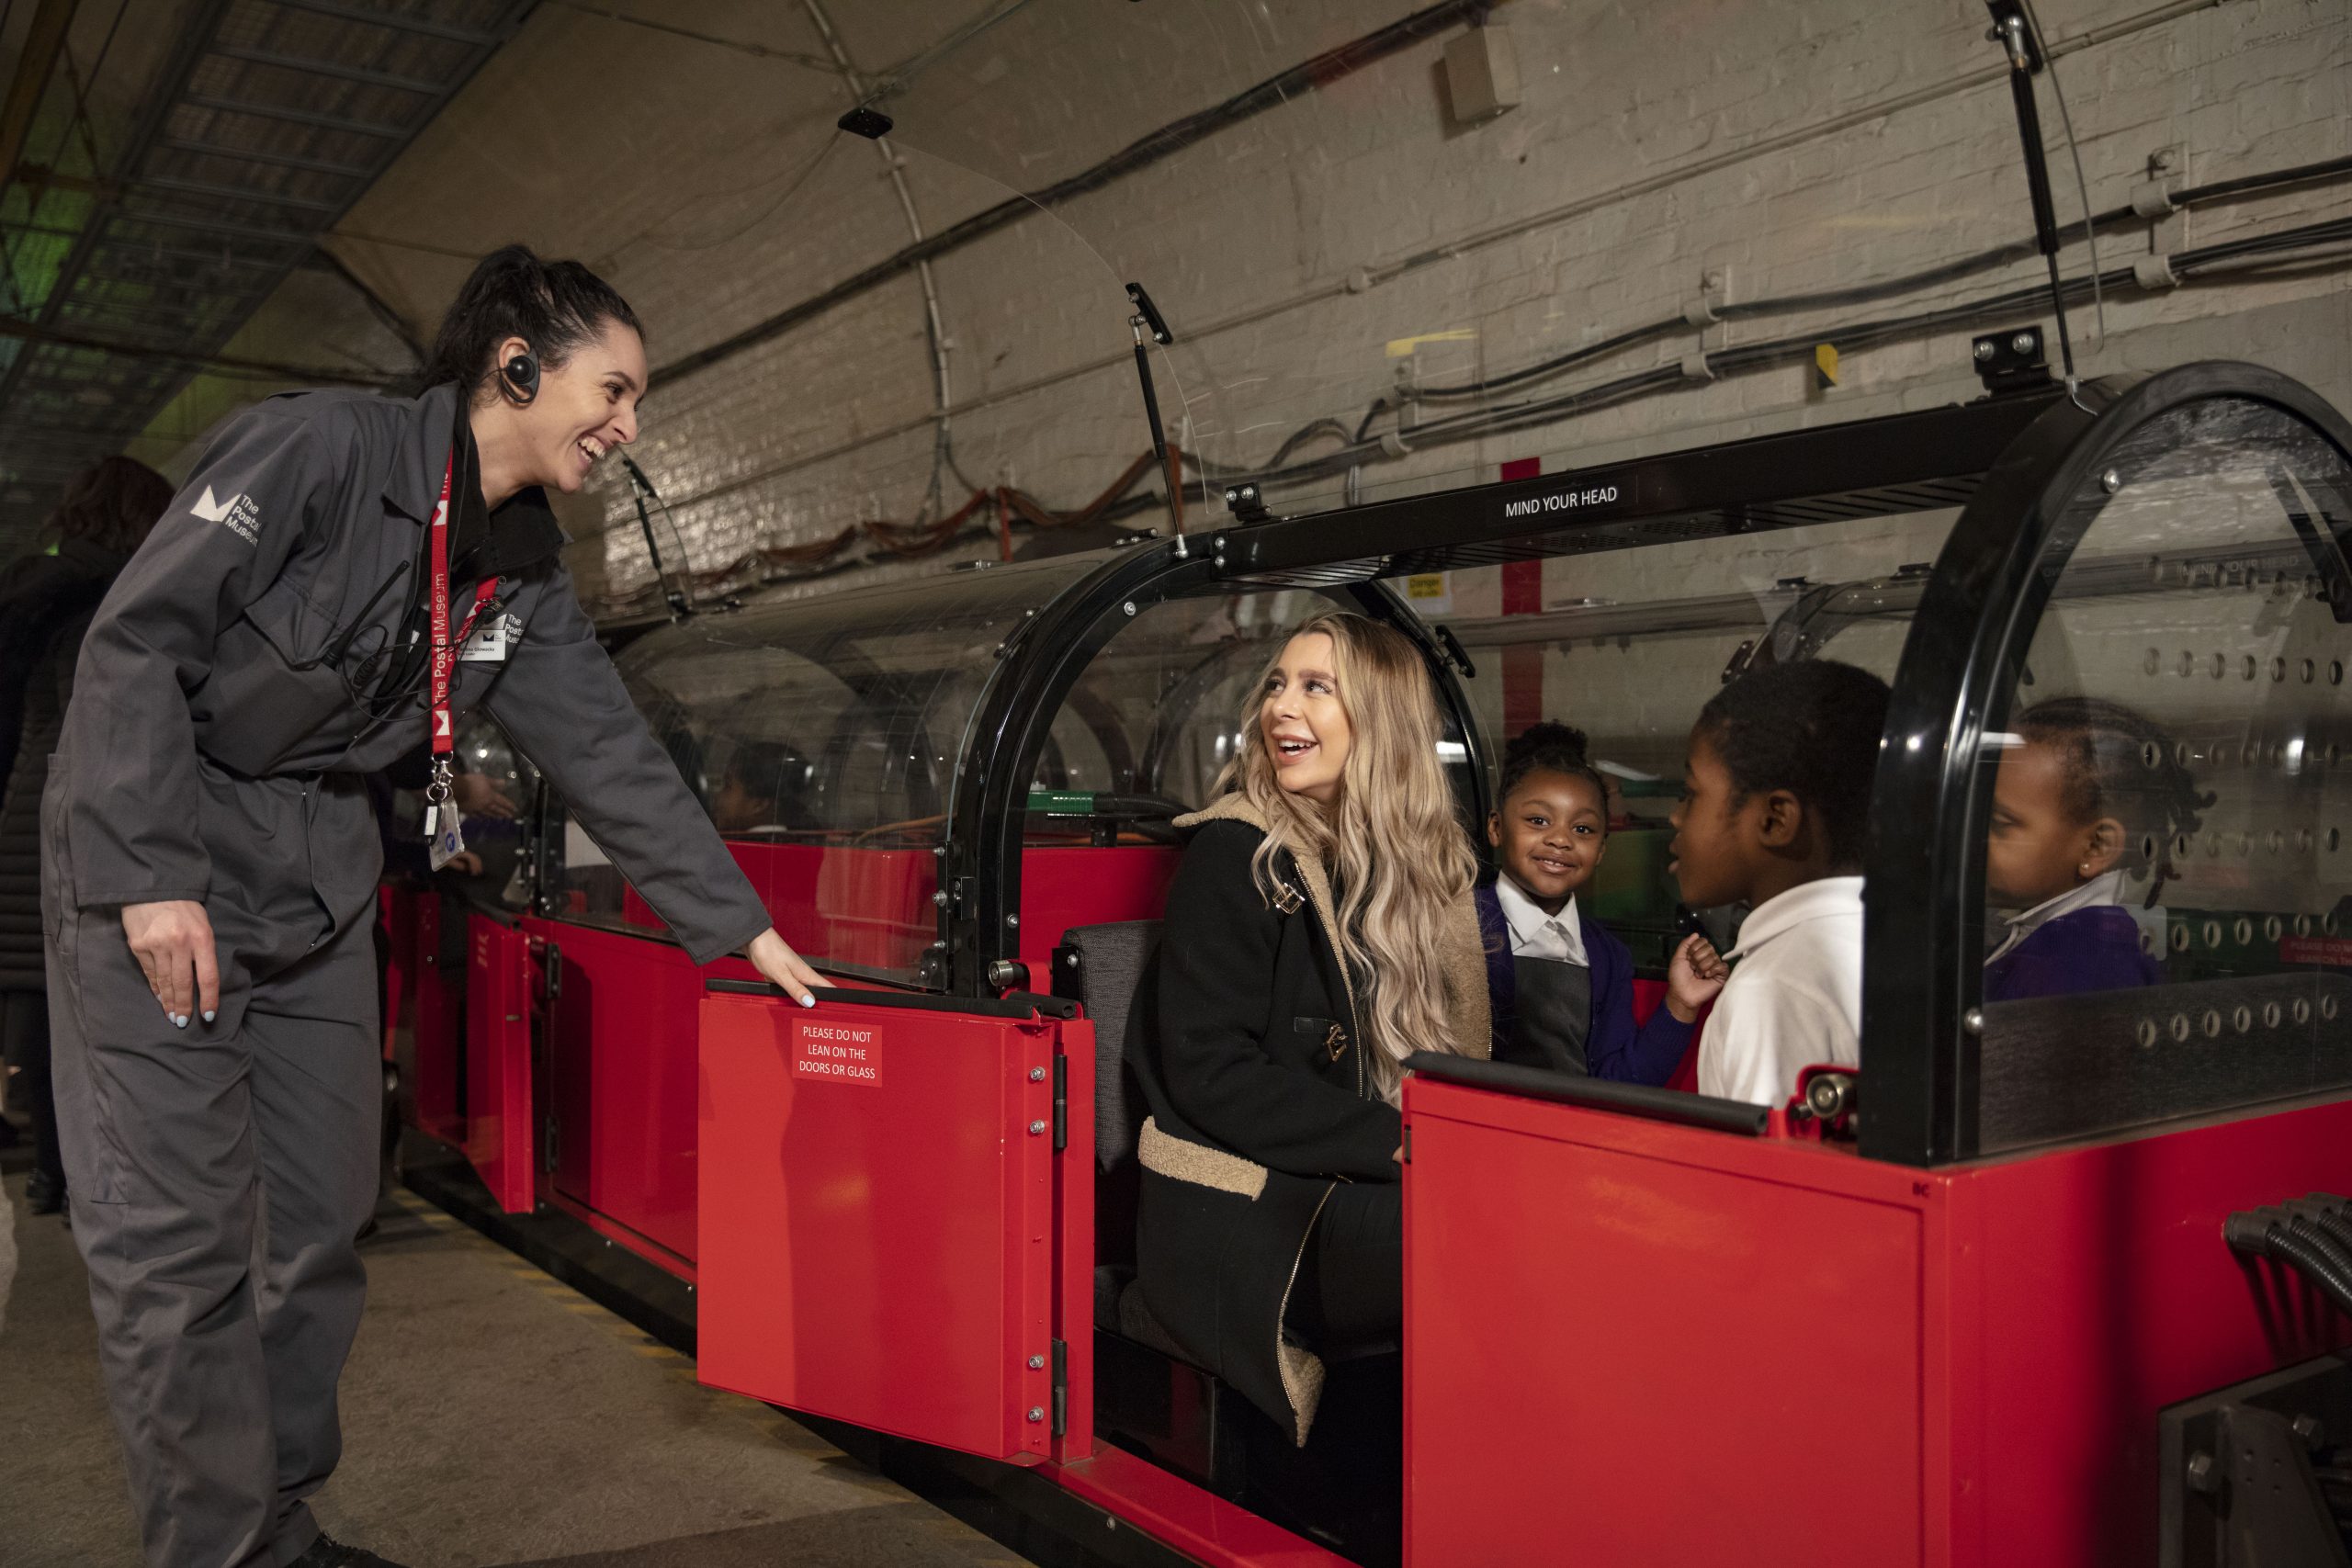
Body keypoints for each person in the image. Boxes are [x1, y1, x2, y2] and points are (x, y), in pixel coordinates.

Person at [40, 244, 824, 1568]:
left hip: (319, 874)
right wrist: (150, 875)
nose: (631, 426)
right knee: (178, 1248)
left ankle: (278, 1521)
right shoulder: (322, 451)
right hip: (165, 850)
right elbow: (137, 640)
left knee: (325, 1215)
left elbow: (610, 752)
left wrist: (735, 922)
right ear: (517, 365)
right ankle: (218, 1549)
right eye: (615, 389)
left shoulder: (518, 573)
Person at [1131, 611, 1488, 1447]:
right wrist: (1397, 1140)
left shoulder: (1411, 866)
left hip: (1357, 1181)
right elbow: (1210, 1072)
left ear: (1381, 718)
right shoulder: (1238, 852)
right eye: (1277, 684)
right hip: (1252, 1205)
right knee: (1474, 1236)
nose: (1281, 707)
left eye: (1316, 687)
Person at [0, 457, 173, 1217]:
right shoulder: (120, 594)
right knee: (90, 990)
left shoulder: (35, 588)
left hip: (22, 796)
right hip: (86, 789)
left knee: (35, 993)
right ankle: (94, 1172)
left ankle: (50, 1170)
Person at [1668, 660, 1889, 1107]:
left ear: (1775, 819)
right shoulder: (1890, 938)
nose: (1675, 817)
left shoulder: (1771, 990)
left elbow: (1770, 1175)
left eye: (1691, 795)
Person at [1476, 721, 1725, 1081]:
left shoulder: (1608, 956)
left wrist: (1681, 1004)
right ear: (1497, 829)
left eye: (1582, 829)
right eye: (1538, 820)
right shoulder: (1456, 925)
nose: (1560, 839)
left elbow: (1620, 1083)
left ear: (1602, 850)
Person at [1983, 696, 2197, 1001]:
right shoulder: (2069, 943)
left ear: (2096, 847)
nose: (1976, 838)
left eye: (2000, 824)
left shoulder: (2074, 965)